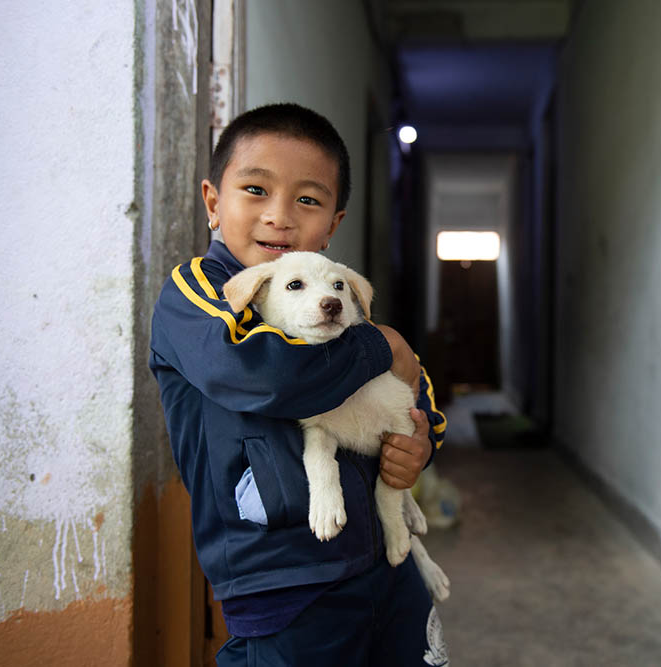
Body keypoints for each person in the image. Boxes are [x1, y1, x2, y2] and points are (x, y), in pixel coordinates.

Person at [149, 102, 449, 666]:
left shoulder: (328, 293)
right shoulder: (195, 295)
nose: (280, 217)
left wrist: (421, 444)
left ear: (333, 225)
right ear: (214, 203)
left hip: (386, 564)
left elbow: (410, 390)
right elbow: (263, 373)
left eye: (308, 200)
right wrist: (383, 343)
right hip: (280, 576)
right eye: (256, 190)